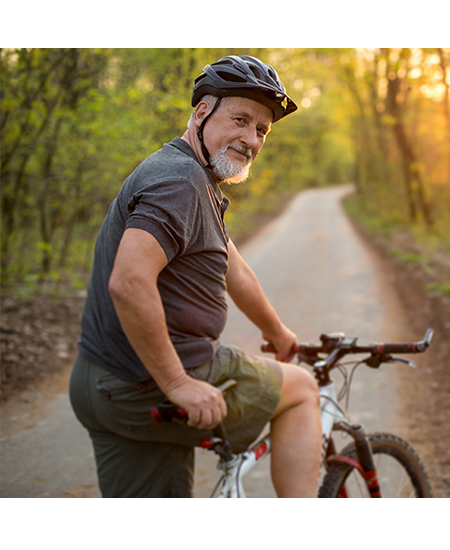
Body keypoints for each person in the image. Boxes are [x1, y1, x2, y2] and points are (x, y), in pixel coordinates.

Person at [69, 55, 322, 498]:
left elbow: (233, 268)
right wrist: (178, 384)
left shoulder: (190, 175)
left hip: (101, 383)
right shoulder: (181, 182)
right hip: (146, 382)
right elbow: (129, 282)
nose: (251, 138)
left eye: (262, 129)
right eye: (241, 119)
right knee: (301, 389)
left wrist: (277, 331)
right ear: (202, 112)